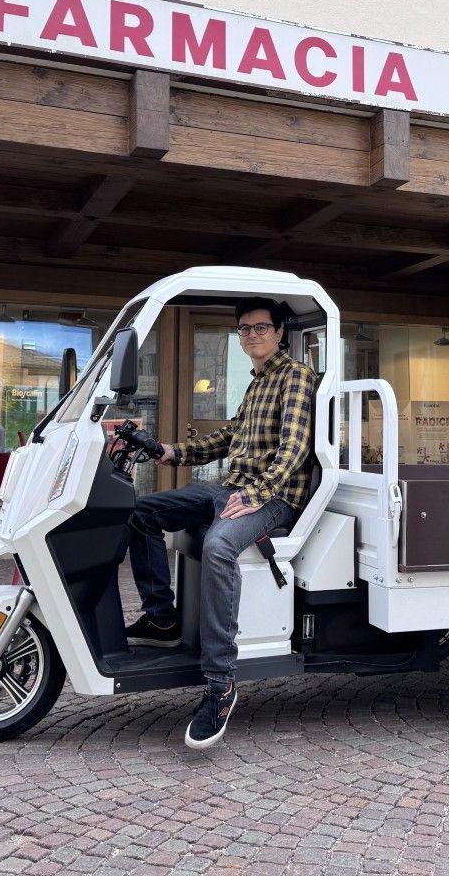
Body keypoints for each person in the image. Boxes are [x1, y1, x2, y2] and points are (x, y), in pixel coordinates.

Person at [124, 297, 317, 749]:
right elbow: (229, 437)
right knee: (142, 513)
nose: (251, 335)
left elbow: (293, 451)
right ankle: (162, 620)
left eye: (260, 328)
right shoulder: (256, 382)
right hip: (233, 490)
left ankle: (220, 683)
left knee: (217, 546)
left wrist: (254, 495)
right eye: (244, 329)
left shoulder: (296, 377)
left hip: (273, 499)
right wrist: (168, 452)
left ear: (279, 332)